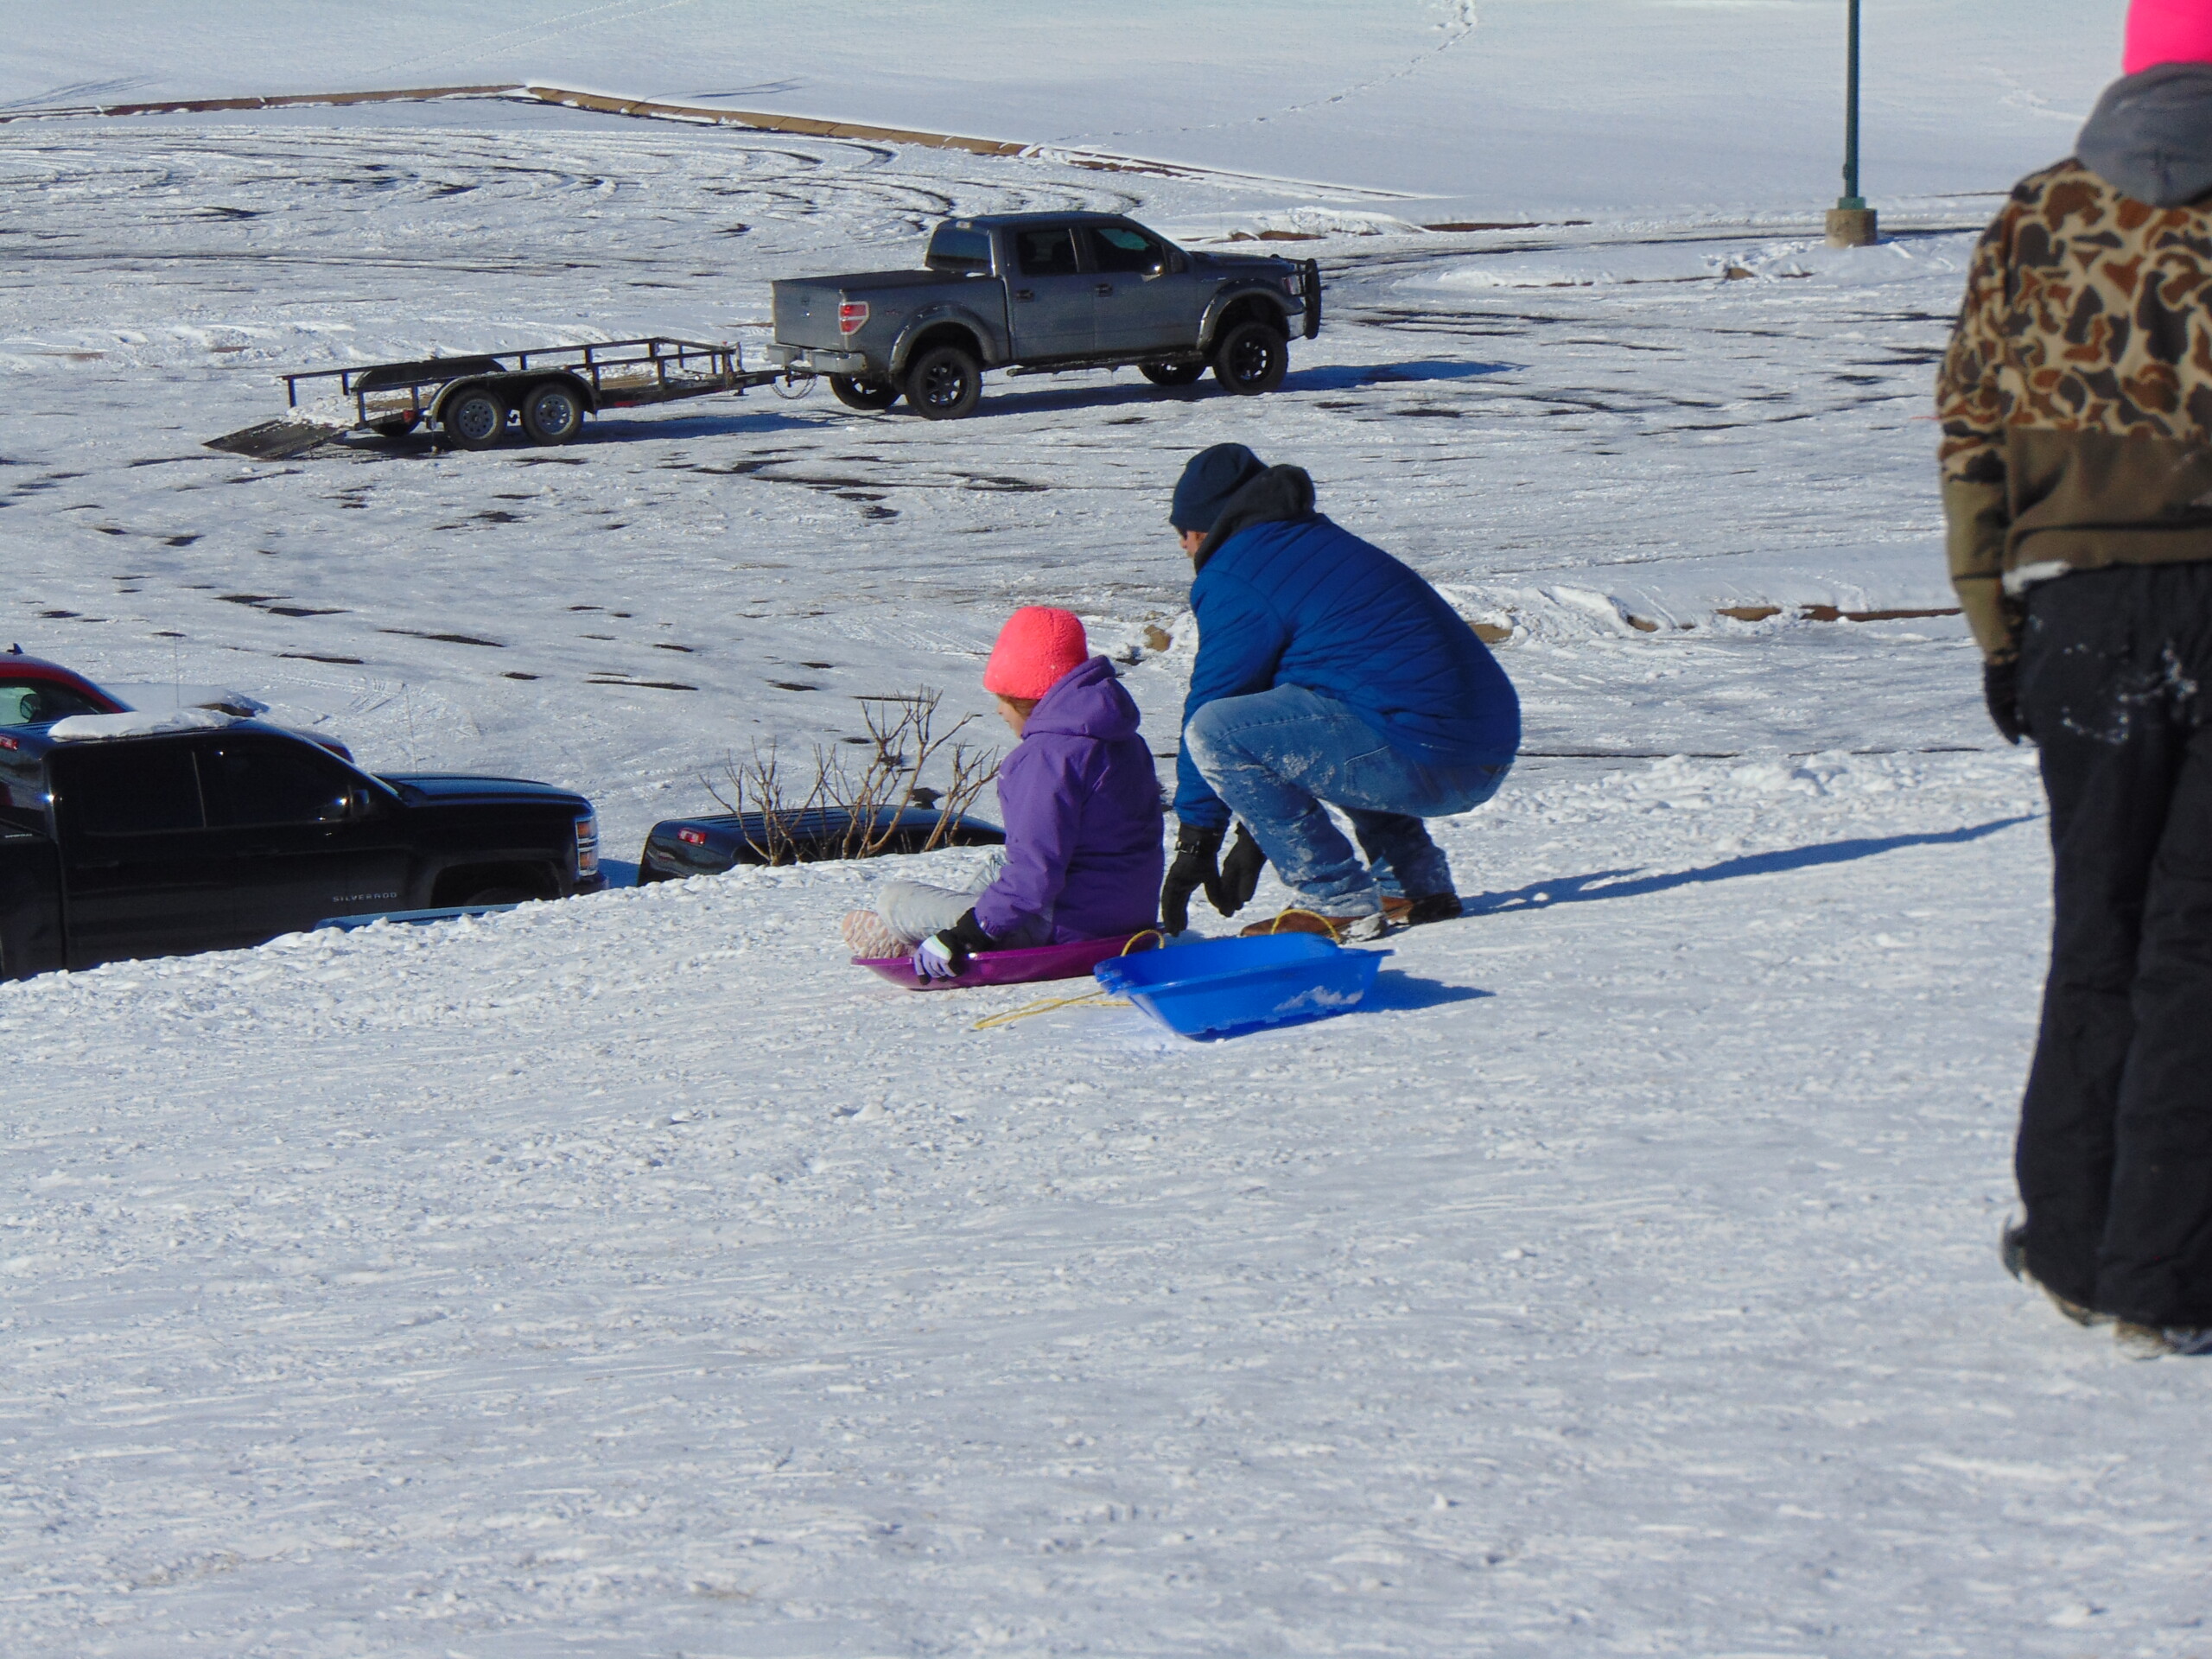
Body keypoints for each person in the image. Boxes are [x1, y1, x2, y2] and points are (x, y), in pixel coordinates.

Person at [1938, 0, 2212, 1358]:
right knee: (2197, 943)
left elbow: (1971, 433)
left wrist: (1998, 627)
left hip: (2080, 610)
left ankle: (2069, 1242)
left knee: (2093, 928)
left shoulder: (2038, 215)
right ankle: (2166, 1278)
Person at [1160, 443, 1520, 940]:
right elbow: (1303, 713)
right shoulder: (1313, 541)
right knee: (1347, 704)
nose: (1182, 547)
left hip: (1430, 758)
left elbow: (1214, 704)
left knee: (1214, 731)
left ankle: (1336, 898)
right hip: (1483, 747)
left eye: (1181, 534)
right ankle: (1411, 883)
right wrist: (1252, 827)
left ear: (1203, 528)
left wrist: (1198, 838)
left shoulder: (1235, 574)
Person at [838, 606, 1164, 976]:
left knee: (894, 899)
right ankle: (956, 924)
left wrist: (969, 934)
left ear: (1025, 694)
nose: (998, 710)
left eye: (1003, 697)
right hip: (1127, 915)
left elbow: (1034, 877)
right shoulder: (1123, 739)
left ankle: (928, 937)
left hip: (1067, 930)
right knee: (997, 865)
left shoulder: (1046, 758)